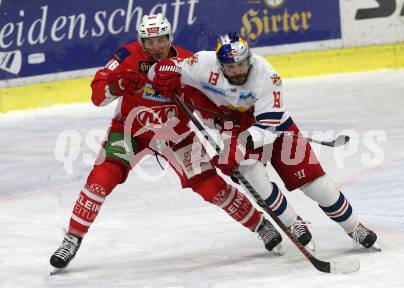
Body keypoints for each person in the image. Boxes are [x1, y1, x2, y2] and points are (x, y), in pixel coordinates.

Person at [50, 16, 286, 272]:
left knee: (211, 186)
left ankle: (260, 225)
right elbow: (97, 95)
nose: (155, 46)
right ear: (141, 41)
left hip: (176, 135)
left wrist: (221, 122)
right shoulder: (125, 56)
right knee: (101, 179)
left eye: (160, 40)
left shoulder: (188, 62)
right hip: (131, 131)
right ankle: (72, 238)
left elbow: (203, 104)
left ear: (169, 38)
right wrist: (116, 86)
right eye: (148, 41)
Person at [149, 32, 380, 250]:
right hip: (231, 128)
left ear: (249, 58)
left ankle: (354, 228)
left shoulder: (267, 76)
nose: (237, 70)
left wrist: (238, 147)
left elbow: (268, 127)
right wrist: (161, 74)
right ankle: (293, 224)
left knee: (315, 184)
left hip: (272, 126)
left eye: (241, 64)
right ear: (220, 65)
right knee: (257, 181)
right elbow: (165, 69)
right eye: (230, 66)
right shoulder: (202, 63)